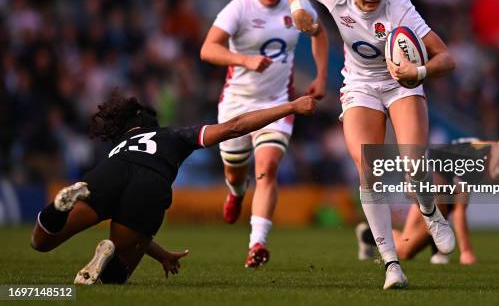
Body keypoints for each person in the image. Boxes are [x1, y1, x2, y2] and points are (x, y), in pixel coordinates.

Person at [283, 0, 455, 289]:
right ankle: (392, 263)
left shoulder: (398, 3)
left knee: (413, 166)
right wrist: (298, 5)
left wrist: (417, 73)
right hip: (360, 85)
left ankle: (428, 209)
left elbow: (446, 58)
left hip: (401, 84)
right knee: (367, 166)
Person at [30, 91, 316, 284]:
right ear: (153, 125)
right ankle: (106, 254)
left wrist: (162, 254)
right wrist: (291, 107)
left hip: (109, 173)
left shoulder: (120, 145)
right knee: (117, 276)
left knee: (41, 243)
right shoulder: (173, 136)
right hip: (152, 184)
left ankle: (58, 207)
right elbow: (235, 127)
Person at [200, 0, 328, 268]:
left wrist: (322, 75)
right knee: (235, 171)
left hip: (277, 103)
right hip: (237, 103)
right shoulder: (239, 7)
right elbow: (208, 49)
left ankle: (257, 243)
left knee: (268, 169)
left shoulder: (295, 8)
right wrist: (245, 60)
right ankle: (236, 190)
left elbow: (319, 33)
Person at [357, 135, 499, 265]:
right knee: (407, 247)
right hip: (426, 170)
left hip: (445, 178)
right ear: (493, 153)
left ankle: (436, 248)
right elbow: (460, 210)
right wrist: (466, 252)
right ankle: (368, 234)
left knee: (408, 247)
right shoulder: (474, 159)